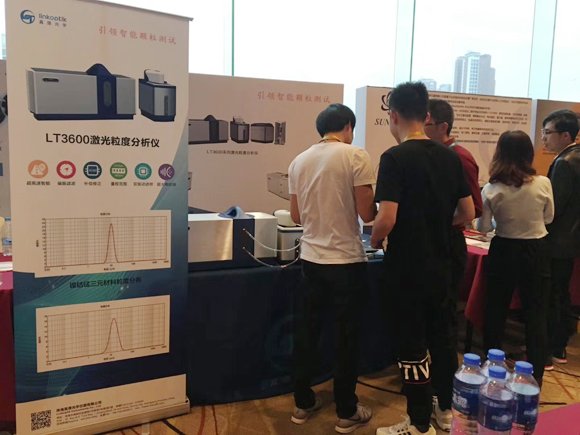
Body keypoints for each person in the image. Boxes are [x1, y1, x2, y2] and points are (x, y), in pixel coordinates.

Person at [371, 82, 474, 435]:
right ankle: (444, 410)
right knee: (443, 337)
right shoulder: (450, 156)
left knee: (411, 342)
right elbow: (467, 211)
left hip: (407, 267)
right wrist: (437, 223)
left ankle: (417, 423)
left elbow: (386, 218)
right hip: (444, 263)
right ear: (427, 115)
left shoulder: (394, 158)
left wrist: (375, 239)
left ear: (393, 116)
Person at [288, 103, 375, 434]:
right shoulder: (355, 156)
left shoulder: (299, 160)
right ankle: (346, 411)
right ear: (348, 127)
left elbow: (296, 216)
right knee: (346, 338)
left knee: (307, 334)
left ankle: (302, 403)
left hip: (311, 259)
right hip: (346, 261)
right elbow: (367, 213)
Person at [475, 130, 554, 383]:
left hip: (504, 249)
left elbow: (484, 227)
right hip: (536, 249)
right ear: (528, 153)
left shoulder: (491, 188)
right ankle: (536, 375)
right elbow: (549, 217)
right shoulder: (543, 183)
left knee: (495, 310)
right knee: (536, 313)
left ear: (499, 153)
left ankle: (492, 367)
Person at [424, 98, 482, 429]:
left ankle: (444, 396)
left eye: (427, 124)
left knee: (444, 321)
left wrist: (435, 225)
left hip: (447, 246)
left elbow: (473, 208)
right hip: (433, 246)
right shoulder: (432, 155)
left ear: (443, 127)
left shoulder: (459, 157)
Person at [541, 109, 580, 369]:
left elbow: (554, 208)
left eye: (548, 133)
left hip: (558, 241)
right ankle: (559, 346)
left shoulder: (565, 163)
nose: (544, 138)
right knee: (561, 293)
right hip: (571, 240)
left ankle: (551, 348)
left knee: (553, 295)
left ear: (565, 135)